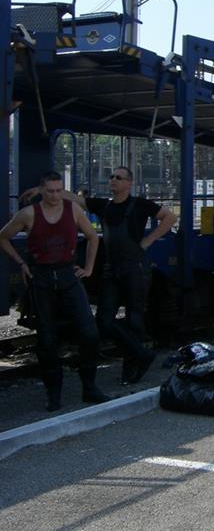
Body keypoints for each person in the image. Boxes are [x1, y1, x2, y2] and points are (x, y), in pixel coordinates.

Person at [24, 166, 178, 384]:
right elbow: (75, 199)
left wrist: (148, 240)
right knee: (104, 321)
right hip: (111, 269)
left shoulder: (140, 205)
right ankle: (141, 353)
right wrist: (41, 190)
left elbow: (169, 217)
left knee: (135, 319)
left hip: (135, 269)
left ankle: (132, 367)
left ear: (129, 183)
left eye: (119, 177)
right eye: (112, 176)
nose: (113, 180)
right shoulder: (104, 205)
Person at [0, 171, 110, 410]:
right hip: (42, 278)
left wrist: (89, 268)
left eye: (59, 190)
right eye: (50, 191)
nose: (55, 195)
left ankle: (89, 387)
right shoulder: (29, 214)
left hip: (68, 275)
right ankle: (54, 393)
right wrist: (21, 263)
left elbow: (93, 237)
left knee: (89, 333)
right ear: (42, 191)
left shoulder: (73, 210)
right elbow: (3, 237)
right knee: (47, 340)